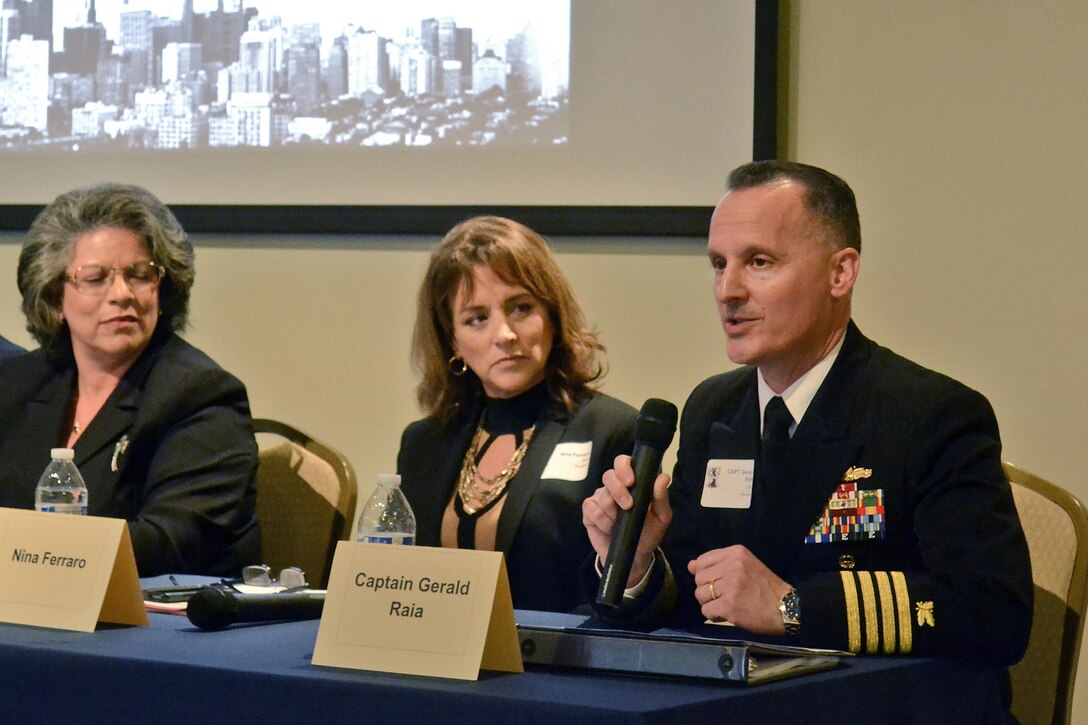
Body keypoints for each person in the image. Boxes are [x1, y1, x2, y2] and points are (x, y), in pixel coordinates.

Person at [582, 161, 1033, 667]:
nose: (727, 290)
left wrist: (791, 606)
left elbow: (993, 612)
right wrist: (639, 562)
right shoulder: (714, 409)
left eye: (758, 262)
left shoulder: (931, 414)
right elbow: (698, 596)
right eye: (718, 264)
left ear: (840, 273)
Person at [0, 183, 260, 577]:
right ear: (55, 300)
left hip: (160, 623)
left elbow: (167, 541)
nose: (122, 294)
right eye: (95, 278)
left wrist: (30, 553)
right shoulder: (20, 383)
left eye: (140, 275)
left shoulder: (200, 396)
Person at [398, 216, 638, 612]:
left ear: (552, 316)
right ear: (452, 341)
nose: (505, 334)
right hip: (435, 664)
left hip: (556, 664)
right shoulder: (424, 443)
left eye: (521, 308)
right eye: (477, 318)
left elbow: (619, 591)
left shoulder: (610, 431)